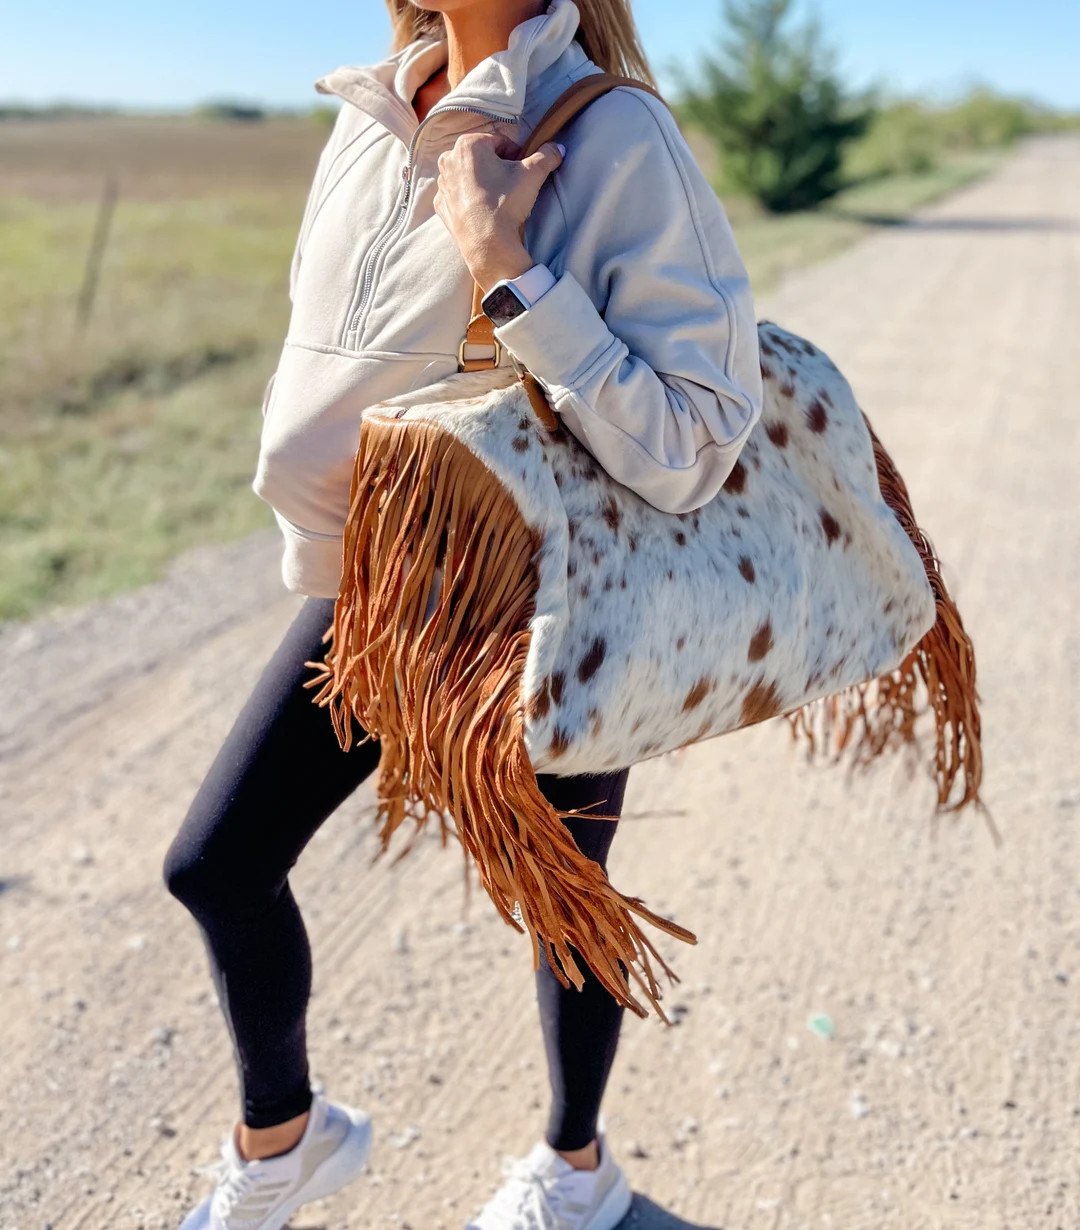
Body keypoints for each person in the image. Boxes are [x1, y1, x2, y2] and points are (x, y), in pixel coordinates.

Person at [164, 1, 763, 1227]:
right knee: (217, 865)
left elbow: (693, 443)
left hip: (552, 591)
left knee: (564, 895)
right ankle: (286, 1141)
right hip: (385, 582)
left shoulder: (616, 135)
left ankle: (576, 1170)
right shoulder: (371, 110)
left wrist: (508, 269)